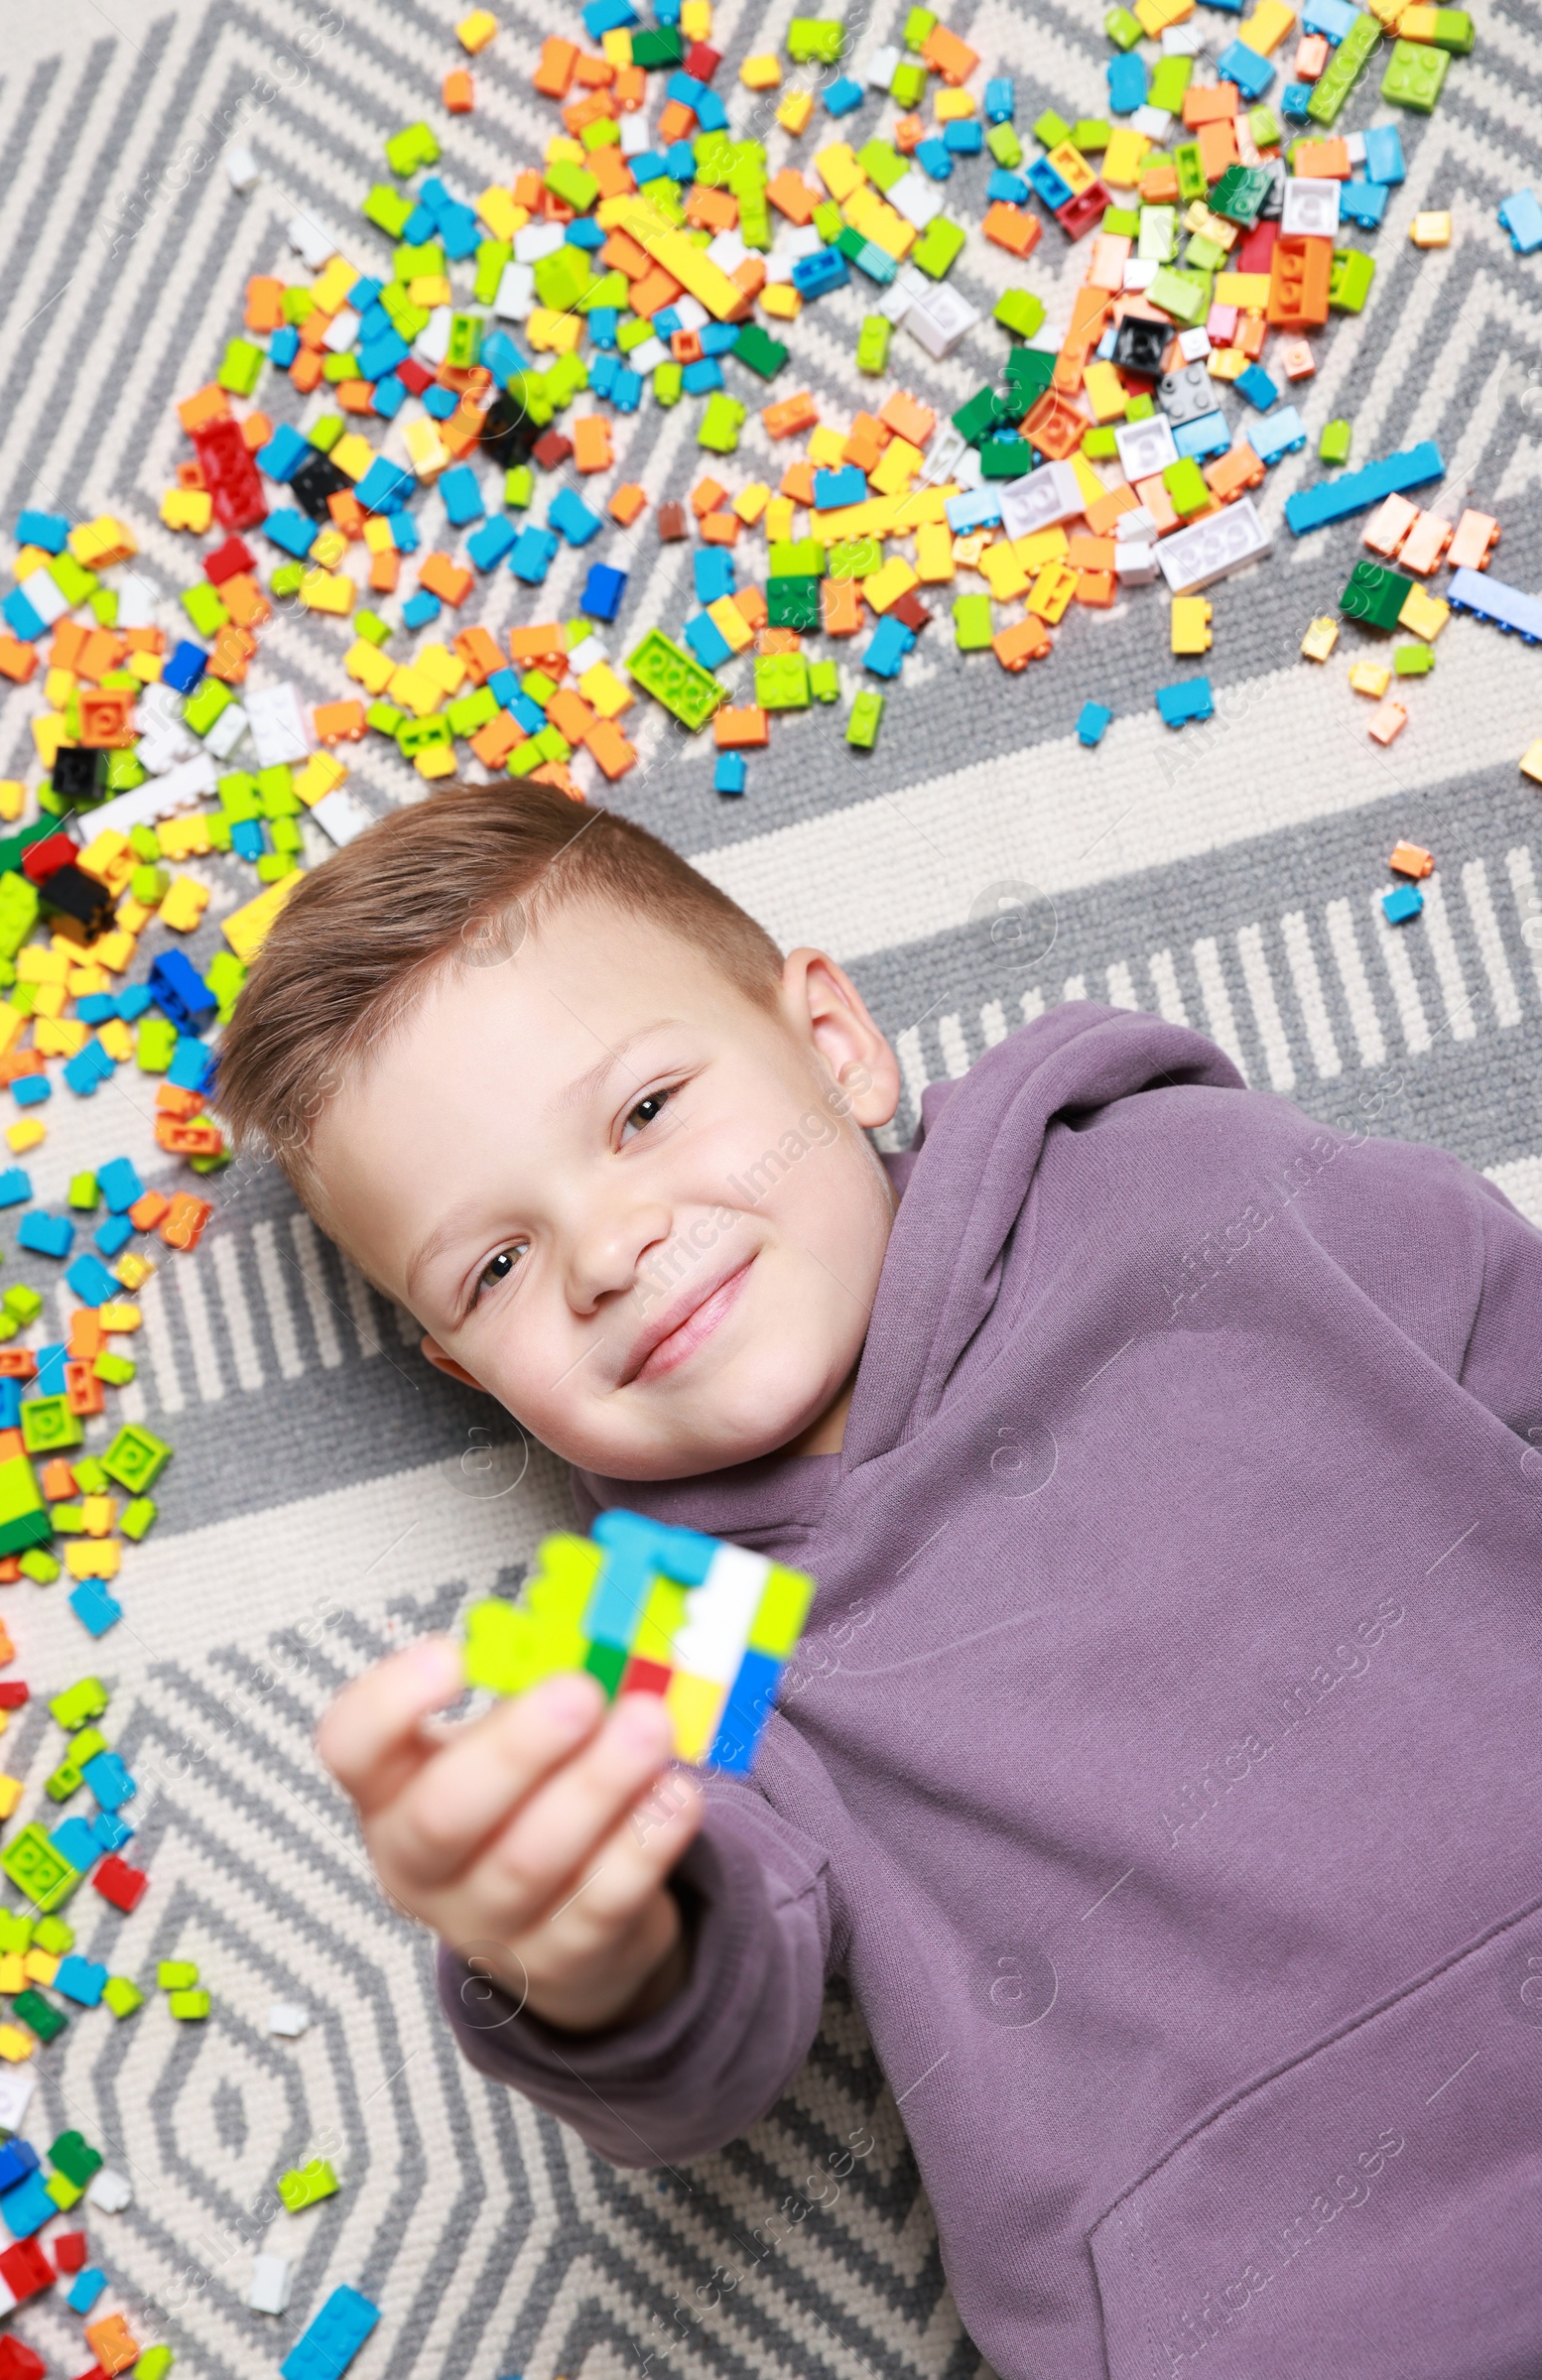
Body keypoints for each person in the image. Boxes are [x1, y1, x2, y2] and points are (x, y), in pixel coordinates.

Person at [216, 778, 1542, 2380]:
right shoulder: (655, 1620)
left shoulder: (1177, 1180)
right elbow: (704, 2014)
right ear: (465, 1369)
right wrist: (582, 1946)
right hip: (1274, 2313)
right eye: (494, 1267)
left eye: (643, 1114)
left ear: (832, 1047)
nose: (610, 1247)